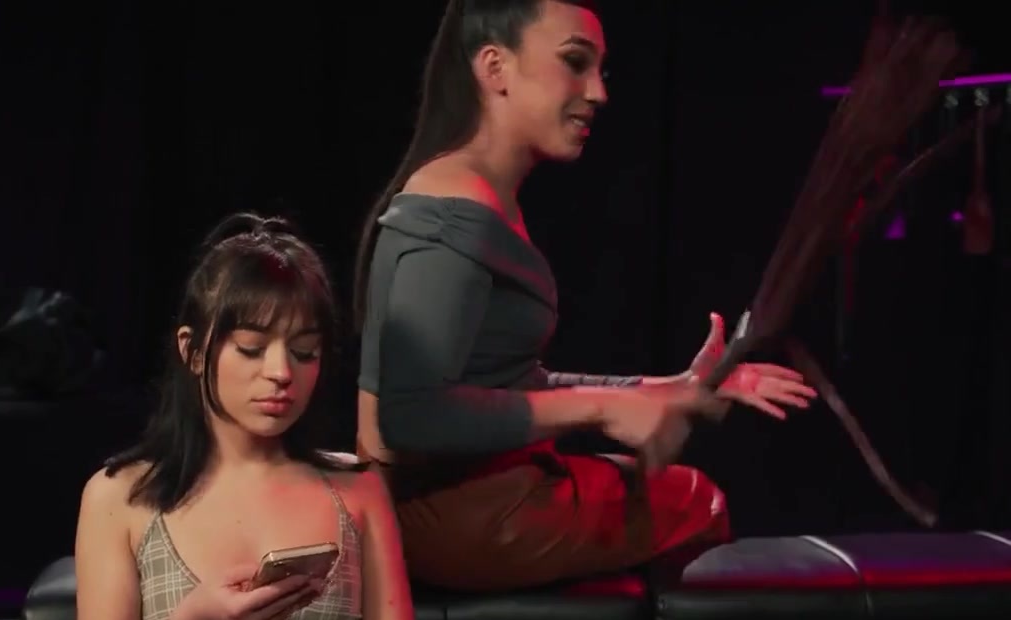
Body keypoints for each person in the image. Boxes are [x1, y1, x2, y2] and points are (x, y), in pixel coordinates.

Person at [352, 0, 819, 591]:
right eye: (575, 63)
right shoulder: (455, 207)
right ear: (494, 67)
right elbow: (409, 416)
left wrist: (670, 388)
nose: (598, 92)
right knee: (697, 502)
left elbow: (506, 385)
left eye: (601, 70)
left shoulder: (478, 197)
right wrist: (600, 408)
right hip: (449, 516)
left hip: (470, 496)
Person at [77, 213, 414, 619]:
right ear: (193, 352)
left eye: (304, 352)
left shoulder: (358, 490)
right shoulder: (119, 499)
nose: (281, 372)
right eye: (251, 348)